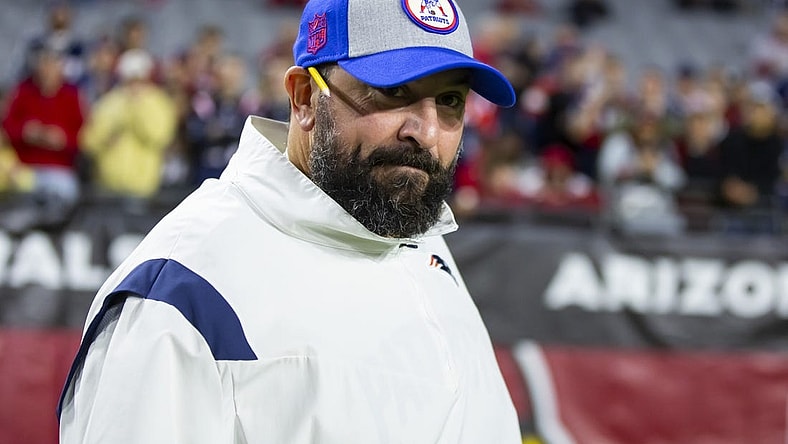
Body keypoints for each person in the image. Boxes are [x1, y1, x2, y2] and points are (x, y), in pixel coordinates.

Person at [58, 0, 521, 443]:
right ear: (304, 98)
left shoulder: (419, 236)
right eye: (394, 91)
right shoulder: (182, 290)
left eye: (450, 100)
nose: (426, 132)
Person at [79, 49, 177, 198]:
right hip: (107, 183)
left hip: (143, 187)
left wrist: (136, 110)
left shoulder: (158, 102)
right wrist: (106, 139)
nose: (134, 84)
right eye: (130, 78)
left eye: (138, 78)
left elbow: (160, 137)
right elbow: (88, 141)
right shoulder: (109, 102)